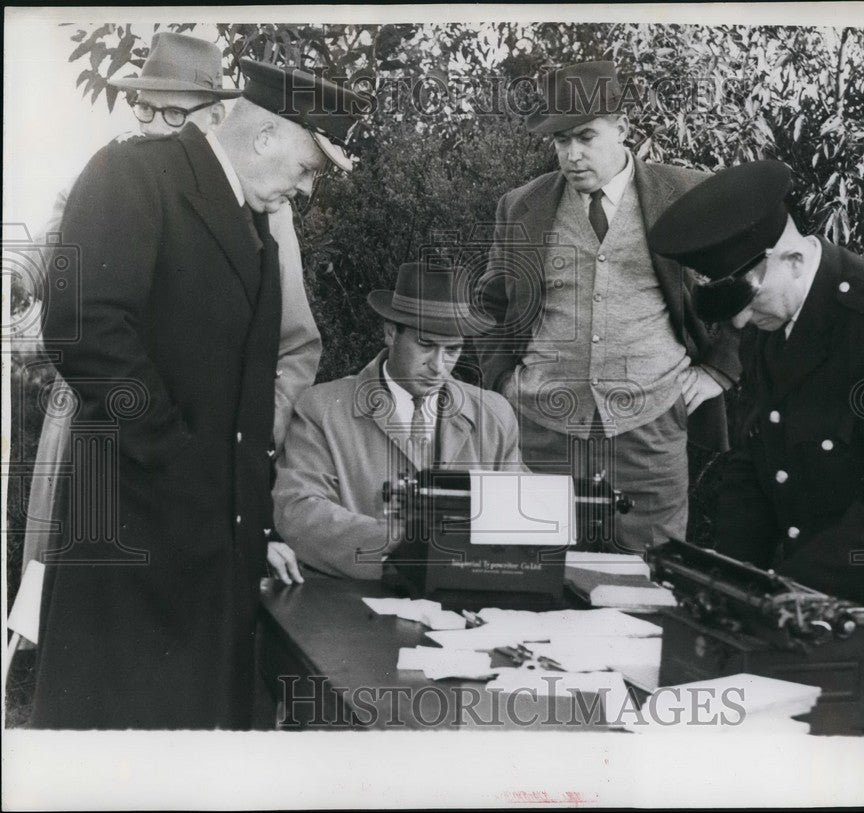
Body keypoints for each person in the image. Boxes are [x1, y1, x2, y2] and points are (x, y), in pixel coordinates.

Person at [32, 58, 367, 729]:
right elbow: (83, 328)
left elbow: (244, 398)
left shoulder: (259, 230)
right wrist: (180, 460)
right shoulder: (133, 174)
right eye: (308, 168)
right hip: (129, 550)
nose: (306, 191)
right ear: (267, 135)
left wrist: (250, 523)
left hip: (213, 563)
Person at [648, 159, 864, 716]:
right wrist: (729, 590)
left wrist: (781, 590)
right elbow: (752, 467)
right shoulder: (776, 318)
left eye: (746, 304)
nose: (739, 327)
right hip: (802, 609)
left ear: (790, 258)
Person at [23, 32, 321, 586]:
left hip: (200, 472)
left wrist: (237, 461)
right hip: (112, 431)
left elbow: (290, 346)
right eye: (146, 108)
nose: (155, 127)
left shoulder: (266, 211)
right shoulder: (117, 174)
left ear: (214, 118)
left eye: (175, 113)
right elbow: (75, 313)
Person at [476, 60, 740, 554]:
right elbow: (492, 302)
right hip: (542, 428)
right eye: (560, 142)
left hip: (651, 425)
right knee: (526, 573)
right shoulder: (520, 205)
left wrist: (719, 371)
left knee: (647, 580)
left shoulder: (687, 193)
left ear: (622, 129)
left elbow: (754, 280)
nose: (572, 155)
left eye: (586, 137)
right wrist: (503, 381)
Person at [273, 262, 525, 581]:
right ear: (390, 332)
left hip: (466, 604)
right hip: (352, 605)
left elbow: (522, 513)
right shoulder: (322, 408)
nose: (438, 366)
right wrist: (410, 550)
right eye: (426, 345)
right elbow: (299, 512)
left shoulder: (494, 414)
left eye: (453, 350)